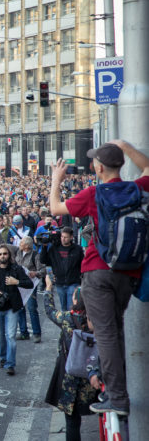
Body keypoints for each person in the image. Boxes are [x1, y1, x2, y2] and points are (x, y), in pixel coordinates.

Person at [49, 140, 149, 415]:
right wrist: (126, 146)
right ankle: (111, 385)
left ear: (98, 167)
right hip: (128, 273)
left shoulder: (94, 193)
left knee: (105, 334)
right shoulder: (137, 188)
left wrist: (57, 180)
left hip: (97, 271)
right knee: (114, 330)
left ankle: (117, 398)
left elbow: (55, 209)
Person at [43, 276, 100, 441]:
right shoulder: (99, 319)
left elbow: (49, 310)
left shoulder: (67, 318)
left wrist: (48, 288)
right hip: (93, 374)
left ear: (76, 300)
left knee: (72, 420)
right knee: (102, 414)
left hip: (70, 373)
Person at [0, 244, 33, 376]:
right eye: (0, 254)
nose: (2, 256)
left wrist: (17, 282)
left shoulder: (16, 268)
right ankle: (3, 358)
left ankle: (10, 364)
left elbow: (30, 283)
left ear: (9, 255)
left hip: (12, 308)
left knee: (11, 336)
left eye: (5, 254)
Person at [39, 227, 84, 312]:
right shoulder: (54, 248)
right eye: (62, 237)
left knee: (71, 308)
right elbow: (44, 260)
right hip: (59, 282)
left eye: (66, 237)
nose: (63, 239)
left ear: (71, 237)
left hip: (73, 282)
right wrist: (44, 247)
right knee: (63, 308)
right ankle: (66, 324)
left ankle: (71, 324)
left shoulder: (77, 249)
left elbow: (82, 264)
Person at [14, 236, 44, 343]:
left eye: (21, 242)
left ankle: (36, 333)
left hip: (31, 285)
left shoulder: (35, 255)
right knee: (20, 308)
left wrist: (35, 273)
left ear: (27, 245)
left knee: (31, 308)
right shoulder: (18, 252)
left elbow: (43, 270)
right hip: (19, 284)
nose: (19, 244)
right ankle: (23, 333)